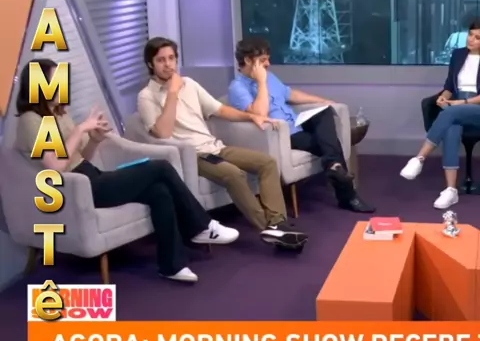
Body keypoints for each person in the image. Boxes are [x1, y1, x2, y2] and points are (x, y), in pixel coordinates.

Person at [15, 59, 240, 284]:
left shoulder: (59, 113)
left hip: (90, 175)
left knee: (159, 192)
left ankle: (172, 265)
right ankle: (201, 226)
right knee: (160, 167)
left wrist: (94, 139)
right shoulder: (30, 120)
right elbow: (55, 166)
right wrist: (81, 128)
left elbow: (83, 156)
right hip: (74, 190)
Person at [137, 38, 308, 251]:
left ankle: (277, 223)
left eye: (171, 58)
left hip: (214, 146)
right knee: (233, 174)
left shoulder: (189, 84)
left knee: (267, 163)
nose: (168, 64)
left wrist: (251, 116)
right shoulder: (146, 96)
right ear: (150, 64)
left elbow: (220, 109)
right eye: (161, 60)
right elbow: (163, 133)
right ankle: (268, 228)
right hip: (191, 155)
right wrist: (172, 93)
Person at [228, 37, 375, 214]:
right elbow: (260, 114)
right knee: (330, 143)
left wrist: (325, 101)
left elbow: (291, 94)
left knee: (324, 112)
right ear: (247, 60)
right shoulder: (237, 87)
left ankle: (333, 166)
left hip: (296, 122)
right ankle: (347, 194)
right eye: (263, 60)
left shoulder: (270, 77)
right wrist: (261, 83)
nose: (268, 64)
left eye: (268, 59)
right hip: (282, 134)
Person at [401, 19, 480, 209]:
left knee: (450, 114)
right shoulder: (459, 54)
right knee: (451, 128)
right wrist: (443, 98)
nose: (471, 39)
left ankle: (419, 158)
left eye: (478, 38)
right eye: (471, 35)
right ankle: (451, 190)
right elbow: (449, 86)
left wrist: (460, 103)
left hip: (475, 106)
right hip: (458, 106)